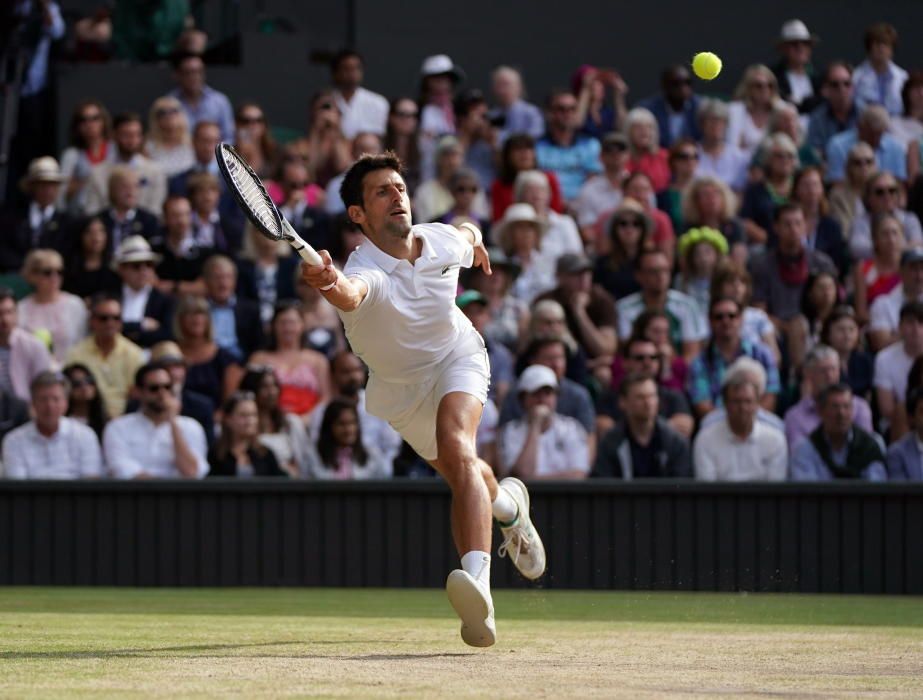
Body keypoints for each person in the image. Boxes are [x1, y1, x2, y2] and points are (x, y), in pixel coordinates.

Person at [301, 152, 547, 647]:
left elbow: (468, 231)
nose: (397, 196)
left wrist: (474, 241)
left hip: (458, 356)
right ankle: (510, 511)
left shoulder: (439, 240)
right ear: (358, 215)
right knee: (465, 473)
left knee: (459, 446)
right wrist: (327, 282)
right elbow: (350, 294)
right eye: (381, 192)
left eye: (400, 188)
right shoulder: (363, 268)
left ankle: (479, 590)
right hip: (402, 394)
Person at [750, 203, 838, 368]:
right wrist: (788, 327)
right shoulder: (762, 265)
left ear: (805, 226)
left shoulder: (821, 262)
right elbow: (759, 310)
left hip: (818, 321)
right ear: (776, 228)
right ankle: (799, 377)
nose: (793, 229)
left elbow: (836, 301)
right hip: (778, 327)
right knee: (798, 327)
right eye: (787, 224)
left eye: (798, 223)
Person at [104, 362, 209, 479]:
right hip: (133, 495)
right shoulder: (118, 427)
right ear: (138, 391)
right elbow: (120, 467)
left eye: (167, 387)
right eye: (154, 388)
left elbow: (191, 471)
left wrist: (173, 421)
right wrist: (159, 488)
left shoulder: (191, 427)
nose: (162, 393)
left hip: (180, 496)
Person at [693, 360, 788, 481]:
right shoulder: (705, 439)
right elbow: (706, 489)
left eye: (748, 401)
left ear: (758, 403)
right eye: (736, 401)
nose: (743, 408)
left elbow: (776, 489)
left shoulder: (775, 439)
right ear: (725, 403)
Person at [688, 297, 780, 418]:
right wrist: (732, 424)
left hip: (759, 422)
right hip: (716, 427)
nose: (726, 321)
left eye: (732, 316)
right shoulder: (699, 362)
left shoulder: (762, 354)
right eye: (719, 317)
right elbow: (702, 405)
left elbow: (770, 398)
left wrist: (746, 421)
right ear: (710, 321)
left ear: (741, 319)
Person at [2, 371, 103, 479]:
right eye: (43, 399)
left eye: (56, 399)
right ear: (33, 403)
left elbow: (91, 482)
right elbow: (16, 488)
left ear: (66, 403)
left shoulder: (85, 435)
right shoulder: (14, 440)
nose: (50, 406)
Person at [308, 350, 403, 463]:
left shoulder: (380, 404)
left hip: (377, 474)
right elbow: (316, 447)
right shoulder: (322, 412)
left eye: (357, 370)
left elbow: (392, 445)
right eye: (346, 372)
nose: (353, 376)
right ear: (333, 375)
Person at [497, 365, 590, 480]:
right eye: (536, 394)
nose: (542, 399)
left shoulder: (572, 428)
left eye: (548, 393)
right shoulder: (510, 431)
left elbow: (579, 474)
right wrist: (535, 425)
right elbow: (522, 474)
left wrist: (536, 479)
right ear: (523, 399)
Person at [592, 373, 691, 479]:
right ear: (623, 402)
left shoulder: (674, 441)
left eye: (652, 396)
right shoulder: (610, 442)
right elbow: (604, 484)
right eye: (640, 397)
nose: (648, 403)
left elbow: (682, 484)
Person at [616, 249, 707, 361]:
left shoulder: (687, 306)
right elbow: (627, 353)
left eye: (665, 270)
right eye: (653, 271)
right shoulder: (624, 309)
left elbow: (691, 355)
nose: (661, 276)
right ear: (639, 275)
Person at [64, 293, 144, 417]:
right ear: (92, 321)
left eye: (116, 318)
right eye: (104, 318)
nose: (110, 323)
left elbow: (137, 394)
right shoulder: (76, 353)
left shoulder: (134, 354)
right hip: (89, 419)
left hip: (124, 419)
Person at [248, 301, 332, 419]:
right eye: (282, 323)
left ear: (303, 325)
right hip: (269, 422)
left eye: (292, 323)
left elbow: (326, 397)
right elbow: (250, 395)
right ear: (273, 326)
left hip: (310, 423)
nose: (287, 328)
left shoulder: (318, 360)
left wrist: (308, 419)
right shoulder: (259, 359)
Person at [599, 336, 694, 438]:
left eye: (653, 357)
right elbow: (605, 431)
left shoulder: (673, 397)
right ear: (625, 363)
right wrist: (667, 426)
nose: (647, 363)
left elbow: (684, 429)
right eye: (640, 358)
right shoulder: (609, 398)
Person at [784, 344, 874, 451]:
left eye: (834, 369)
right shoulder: (795, 416)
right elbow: (798, 455)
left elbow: (866, 449)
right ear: (808, 373)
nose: (830, 376)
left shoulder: (859, 407)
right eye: (823, 370)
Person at [790, 383, 887, 480]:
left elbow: (876, 487)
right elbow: (807, 491)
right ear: (821, 411)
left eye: (846, 406)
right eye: (835, 407)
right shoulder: (805, 449)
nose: (841, 414)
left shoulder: (870, 446)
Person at [535, 253, 617, 366]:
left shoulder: (602, 301)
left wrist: (579, 312)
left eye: (587, 273)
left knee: (603, 374)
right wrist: (587, 364)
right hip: (555, 363)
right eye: (576, 274)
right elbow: (535, 348)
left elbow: (605, 350)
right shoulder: (546, 301)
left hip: (593, 365)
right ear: (560, 277)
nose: (584, 279)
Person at [82, 113, 167, 217]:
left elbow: (155, 211)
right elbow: (92, 212)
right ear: (114, 135)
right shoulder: (97, 173)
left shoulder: (155, 172)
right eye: (126, 135)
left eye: (137, 135)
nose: (132, 140)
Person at [0, 156, 74, 273]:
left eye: (53, 185)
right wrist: (27, 267)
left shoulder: (66, 222)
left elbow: (68, 255)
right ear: (32, 186)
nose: (48, 190)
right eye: (43, 185)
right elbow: (4, 250)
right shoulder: (12, 217)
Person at [17, 249, 88, 363]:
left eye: (59, 272)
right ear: (32, 275)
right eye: (47, 272)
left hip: (70, 373)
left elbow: (84, 343)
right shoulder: (21, 308)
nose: (55, 277)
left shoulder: (75, 305)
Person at [173, 295, 244, 409]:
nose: (196, 319)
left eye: (201, 314)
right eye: (190, 314)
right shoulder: (171, 353)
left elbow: (229, 404)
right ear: (180, 319)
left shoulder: (226, 358)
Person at [238, 366, 310, 477]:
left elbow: (303, 463)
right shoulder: (243, 425)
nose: (271, 392)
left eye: (274, 385)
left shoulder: (291, 423)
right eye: (264, 387)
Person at [535, 89, 602, 202]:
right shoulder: (536, 147)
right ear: (549, 113)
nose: (568, 114)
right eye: (561, 109)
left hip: (582, 206)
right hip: (546, 205)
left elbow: (594, 181)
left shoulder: (591, 145)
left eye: (572, 109)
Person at [305, 398, 392, 480]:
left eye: (352, 423)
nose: (348, 430)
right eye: (341, 424)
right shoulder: (314, 455)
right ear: (329, 426)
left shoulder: (372, 454)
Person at [111, 236, 174, 348]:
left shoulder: (164, 300)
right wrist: (141, 326)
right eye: (136, 266)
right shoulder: (111, 296)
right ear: (122, 269)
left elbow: (166, 335)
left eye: (149, 264)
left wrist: (126, 329)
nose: (143, 270)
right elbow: (106, 328)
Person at [710, 260, 779, 361]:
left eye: (742, 281)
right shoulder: (712, 316)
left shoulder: (759, 317)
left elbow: (775, 357)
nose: (737, 286)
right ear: (719, 287)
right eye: (730, 281)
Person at [847, 171, 923, 262]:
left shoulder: (910, 219)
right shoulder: (860, 222)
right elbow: (857, 249)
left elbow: (919, 247)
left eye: (892, 190)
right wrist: (900, 248)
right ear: (868, 197)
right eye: (880, 192)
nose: (887, 195)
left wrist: (883, 249)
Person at [874, 301, 923, 441]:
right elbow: (887, 409)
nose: (916, 329)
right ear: (899, 327)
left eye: (921, 323)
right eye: (910, 323)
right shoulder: (884, 358)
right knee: (901, 411)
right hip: (900, 422)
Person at [456, 291, 515, 408]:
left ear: (488, 317)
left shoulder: (501, 354)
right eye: (468, 312)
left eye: (479, 312)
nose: (474, 317)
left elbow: (502, 393)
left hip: (487, 410)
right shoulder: (443, 350)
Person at [739, 133, 799, 248]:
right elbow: (745, 221)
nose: (785, 160)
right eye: (779, 156)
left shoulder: (800, 186)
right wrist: (767, 239)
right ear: (768, 159)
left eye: (789, 155)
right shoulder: (755, 190)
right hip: (765, 246)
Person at [208, 392, 287, 478]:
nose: (250, 420)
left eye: (254, 415)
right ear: (228, 419)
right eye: (243, 415)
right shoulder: (216, 454)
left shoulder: (265, 454)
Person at [490, 133, 564, 222]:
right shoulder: (499, 186)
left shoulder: (549, 179)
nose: (524, 153)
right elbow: (499, 220)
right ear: (507, 155)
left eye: (529, 148)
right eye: (518, 149)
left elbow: (556, 212)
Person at [203, 255, 264, 362]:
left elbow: (258, 346)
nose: (223, 283)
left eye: (228, 277)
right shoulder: (199, 309)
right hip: (208, 364)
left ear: (235, 280)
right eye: (217, 277)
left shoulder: (251, 310)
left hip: (241, 364)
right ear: (206, 281)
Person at [826, 106, 907, 185]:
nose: (875, 139)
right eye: (871, 134)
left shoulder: (896, 148)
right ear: (859, 127)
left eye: (879, 134)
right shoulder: (838, 146)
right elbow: (836, 183)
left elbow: (900, 184)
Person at [493, 202, 556, 304]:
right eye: (520, 227)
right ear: (510, 234)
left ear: (536, 233)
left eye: (530, 227)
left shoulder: (547, 261)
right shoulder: (502, 264)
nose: (526, 232)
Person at [514, 169, 583, 260]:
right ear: (521, 196)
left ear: (549, 194)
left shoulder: (565, 223)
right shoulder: (514, 225)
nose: (536, 195)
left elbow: (576, 258)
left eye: (541, 190)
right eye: (530, 191)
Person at [289, 90, 352, 188]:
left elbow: (342, 168)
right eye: (322, 108)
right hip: (312, 193)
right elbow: (310, 171)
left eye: (330, 107)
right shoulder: (302, 144)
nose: (326, 113)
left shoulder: (347, 142)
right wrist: (316, 131)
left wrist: (335, 129)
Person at [792, 166, 848, 275]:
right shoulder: (789, 221)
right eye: (806, 185)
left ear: (822, 189)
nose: (811, 190)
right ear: (796, 189)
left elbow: (837, 262)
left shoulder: (832, 226)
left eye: (815, 185)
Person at [58, 100, 112, 215]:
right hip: (81, 214)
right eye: (83, 120)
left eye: (95, 118)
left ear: (104, 121)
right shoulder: (71, 155)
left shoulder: (116, 150)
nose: (89, 124)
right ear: (77, 126)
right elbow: (61, 196)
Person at [0, 288, 54, 402]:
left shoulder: (35, 346)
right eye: (0, 313)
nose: (5, 319)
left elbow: (44, 387)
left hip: (27, 412)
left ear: (17, 313)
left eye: (9, 312)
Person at [167, 53, 234, 141]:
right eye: (188, 72)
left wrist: (214, 153)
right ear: (178, 75)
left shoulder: (220, 101)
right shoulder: (169, 102)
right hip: (179, 153)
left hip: (214, 153)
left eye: (198, 71)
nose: (194, 77)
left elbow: (229, 137)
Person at [571, 132, 628, 236]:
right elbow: (587, 230)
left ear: (628, 155)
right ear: (601, 157)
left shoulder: (639, 185)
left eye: (620, 150)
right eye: (610, 151)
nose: (615, 155)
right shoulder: (589, 189)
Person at [681, 176, 748, 264]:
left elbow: (739, 260)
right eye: (705, 194)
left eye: (716, 193)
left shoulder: (734, 225)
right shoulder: (689, 228)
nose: (711, 198)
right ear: (695, 200)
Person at [592, 198, 648, 300]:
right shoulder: (602, 263)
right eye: (623, 223)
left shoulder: (653, 260)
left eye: (636, 223)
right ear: (615, 229)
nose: (629, 229)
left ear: (643, 229)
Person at [854, 213, 906, 323]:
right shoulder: (864, 269)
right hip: (877, 328)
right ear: (875, 240)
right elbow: (861, 314)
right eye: (885, 234)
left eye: (895, 233)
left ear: (902, 237)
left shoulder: (912, 267)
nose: (891, 239)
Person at [869, 248, 923, 351]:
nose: (919, 276)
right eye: (913, 269)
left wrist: (900, 334)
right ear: (901, 271)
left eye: (922, 269)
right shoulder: (882, 304)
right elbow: (881, 344)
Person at [637, 64, 702, 147]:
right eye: (676, 83)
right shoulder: (649, 109)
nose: (683, 88)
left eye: (687, 82)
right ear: (664, 86)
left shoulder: (700, 107)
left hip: (690, 157)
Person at [330, 49, 389, 139]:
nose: (352, 73)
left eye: (357, 68)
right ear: (336, 73)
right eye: (346, 68)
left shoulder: (378, 102)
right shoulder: (327, 100)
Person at [852, 23, 908, 117]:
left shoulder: (904, 78)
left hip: (897, 128)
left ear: (892, 49)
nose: (881, 48)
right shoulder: (856, 77)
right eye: (877, 44)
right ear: (869, 47)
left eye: (886, 44)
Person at [695, 99, 749, 193]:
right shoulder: (692, 154)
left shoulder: (738, 157)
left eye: (720, 121)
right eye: (711, 120)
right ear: (702, 124)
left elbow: (741, 191)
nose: (716, 125)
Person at [727, 65, 781, 158]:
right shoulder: (734, 111)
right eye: (759, 85)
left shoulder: (781, 110)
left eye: (770, 85)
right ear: (748, 88)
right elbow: (732, 147)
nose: (765, 89)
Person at [806, 61, 859, 155]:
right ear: (825, 90)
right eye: (835, 85)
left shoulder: (864, 114)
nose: (842, 89)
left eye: (847, 84)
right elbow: (816, 154)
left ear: (853, 87)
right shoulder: (817, 118)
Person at [673, 227, 728, 317]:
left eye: (708, 252)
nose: (703, 258)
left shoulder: (724, 280)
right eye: (698, 253)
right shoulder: (681, 280)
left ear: (717, 255)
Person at [62, 216, 120, 301]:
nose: (96, 237)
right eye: (89, 232)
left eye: (101, 231)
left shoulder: (114, 270)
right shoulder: (68, 270)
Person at [822, 305, 873, 400]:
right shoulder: (821, 362)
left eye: (851, 329)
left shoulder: (865, 361)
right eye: (841, 329)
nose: (847, 335)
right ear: (828, 334)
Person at [771, 19, 822, 115]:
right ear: (783, 48)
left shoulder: (818, 79)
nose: (801, 48)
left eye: (805, 44)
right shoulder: (773, 78)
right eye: (794, 44)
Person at [828, 142, 877, 235]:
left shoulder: (884, 191)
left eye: (868, 162)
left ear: (875, 166)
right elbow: (844, 231)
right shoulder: (838, 196)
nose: (864, 167)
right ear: (849, 167)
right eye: (858, 163)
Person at [453, 89, 496, 191]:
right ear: (462, 118)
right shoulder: (452, 141)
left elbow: (504, 170)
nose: (481, 120)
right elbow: (453, 170)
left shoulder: (492, 137)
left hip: (490, 194)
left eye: (483, 115)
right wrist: (467, 133)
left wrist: (493, 142)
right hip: (464, 194)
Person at [572, 64, 627, 140]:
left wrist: (619, 96)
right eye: (595, 82)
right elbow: (577, 124)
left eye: (601, 82)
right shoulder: (572, 110)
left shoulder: (607, 112)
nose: (600, 86)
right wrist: (585, 89)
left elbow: (623, 127)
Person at [489, 66, 545, 141]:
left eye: (506, 84)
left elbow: (535, 136)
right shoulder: (491, 115)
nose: (502, 90)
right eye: (498, 85)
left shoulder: (532, 113)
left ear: (519, 87)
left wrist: (501, 137)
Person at [145, 96, 194, 178]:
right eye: (162, 113)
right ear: (155, 118)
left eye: (174, 111)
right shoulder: (148, 147)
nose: (169, 116)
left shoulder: (193, 143)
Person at [657, 139, 700, 233]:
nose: (690, 161)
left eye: (695, 157)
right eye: (684, 157)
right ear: (673, 161)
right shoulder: (663, 197)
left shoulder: (704, 192)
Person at [624, 108, 670, 193]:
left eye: (649, 127)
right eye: (638, 127)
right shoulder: (622, 158)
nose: (644, 131)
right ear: (628, 131)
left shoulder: (664, 157)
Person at [383, 97, 422, 192]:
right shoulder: (379, 147)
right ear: (391, 117)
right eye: (402, 114)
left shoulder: (422, 148)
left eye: (413, 115)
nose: (408, 119)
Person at [233, 102, 279, 180]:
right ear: (236, 124)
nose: (252, 125)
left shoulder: (275, 153)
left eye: (258, 120)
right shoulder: (228, 153)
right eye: (245, 121)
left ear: (264, 126)